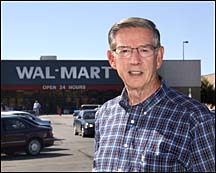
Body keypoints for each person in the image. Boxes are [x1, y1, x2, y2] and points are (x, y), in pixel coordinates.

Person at [93, 17, 215, 172]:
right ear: (112, 59)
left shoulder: (195, 118)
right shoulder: (104, 115)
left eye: (144, 50)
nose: (135, 60)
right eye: (124, 51)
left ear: (159, 57)